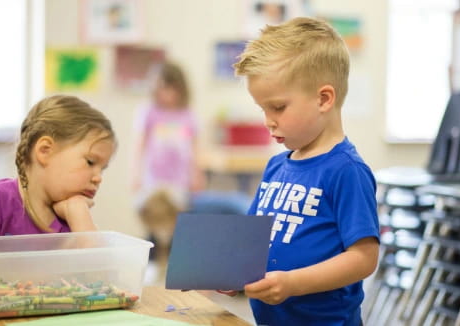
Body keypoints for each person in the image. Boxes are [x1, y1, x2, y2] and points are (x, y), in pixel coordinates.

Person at [228, 17, 380, 325]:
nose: (268, 120)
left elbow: (364, 258)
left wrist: (292, 284)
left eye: (279, 107)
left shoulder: (346, 170)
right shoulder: (275, 167)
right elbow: (250, 241)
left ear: (324, 99)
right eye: (263, 109)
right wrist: (232, 273)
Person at [0, 95, 116, 236]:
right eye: (90, 162)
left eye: (102, 169)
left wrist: (80, 215)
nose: (98, 178)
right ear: (45, 151)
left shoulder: (73, 219)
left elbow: (97, 258)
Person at [131, 61, 205, 262]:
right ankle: (152, 263)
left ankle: (176, 264)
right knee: (154, 221)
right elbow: (140, 145)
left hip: (179, 181)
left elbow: (194, 148)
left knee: (177, 223)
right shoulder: (149, 112)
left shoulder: (188, 114)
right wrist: (135, 175)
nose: (168, 94)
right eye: (163, 88)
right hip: (153, 179)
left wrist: (197, 174)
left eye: (172, 89)